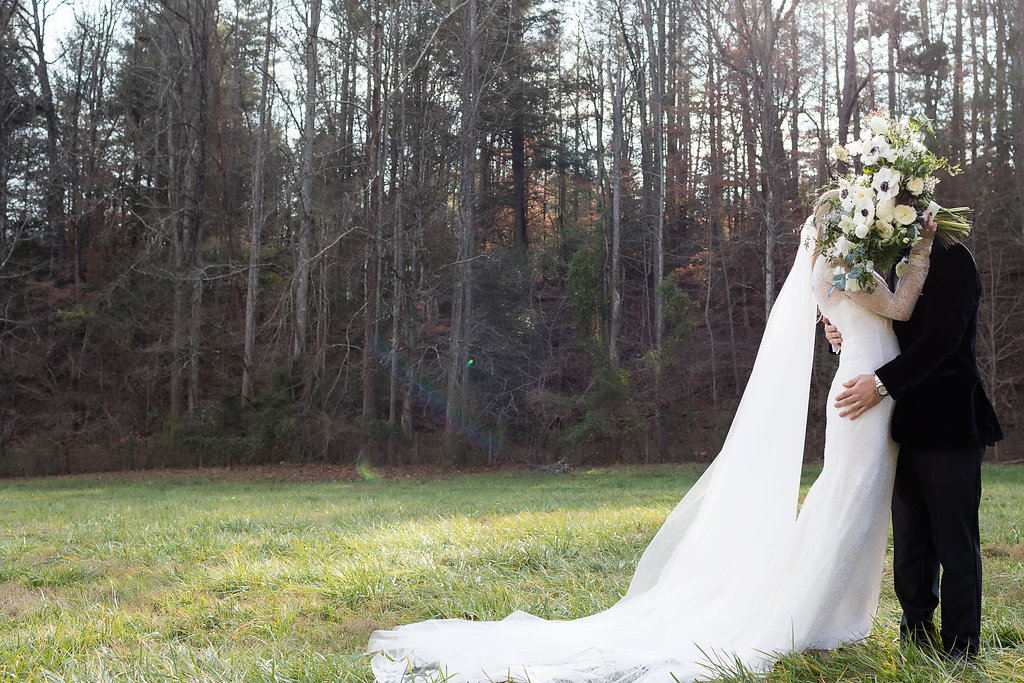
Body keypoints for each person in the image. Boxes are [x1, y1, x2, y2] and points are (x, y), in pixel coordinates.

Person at [367, 199, 935, 683]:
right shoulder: (844, 262)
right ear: (844, 226)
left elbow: (859, 318)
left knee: (856, 498)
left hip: (867, 377)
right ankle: (814, 620)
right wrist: (923, 246)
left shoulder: (835, 266)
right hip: (867, 386)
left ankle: (833, 618)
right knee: (851, 498)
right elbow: (900, 305)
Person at [827, 223, 1002, 660]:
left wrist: (882, 384)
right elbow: (889, 332)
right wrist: (845, 334)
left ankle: (962, 648)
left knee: (954, 541)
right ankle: (916, 635)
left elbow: (942, 339)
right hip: (901, 423)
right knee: (910, 541)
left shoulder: (955, 260)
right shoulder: (898, 265)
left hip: (950, 420)